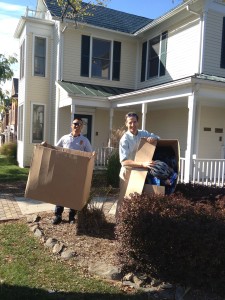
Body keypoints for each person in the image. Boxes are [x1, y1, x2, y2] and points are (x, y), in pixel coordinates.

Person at [117, 112, 160, 216]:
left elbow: (158, 137)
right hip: (128, 172)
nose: (133, 125)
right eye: (130, 122)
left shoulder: (143, 133)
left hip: (140, 172)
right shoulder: (125, 139)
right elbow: (124, 161)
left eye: (134, 122)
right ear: (126, 124)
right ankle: (119, 223)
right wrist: (143, 164)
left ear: (138, 122)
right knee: (124, 199)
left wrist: (154, 138)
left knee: (137, 199)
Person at [52, 117, 92, 225]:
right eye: (75, 124)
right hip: (64, 170)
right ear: (71, 125)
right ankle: (58, 215)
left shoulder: (85, 141)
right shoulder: (64, 138)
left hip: (77, 172)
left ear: (82, 127)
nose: (77, 126)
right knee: (61, 192)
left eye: (79, 124)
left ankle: (71, 217)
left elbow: (90, 155)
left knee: (74, 193)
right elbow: (55, 149)